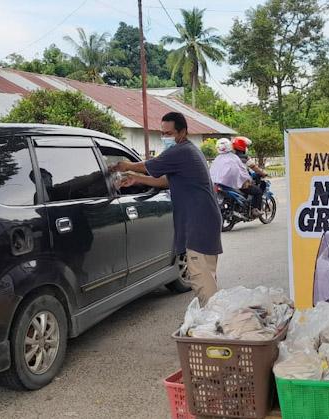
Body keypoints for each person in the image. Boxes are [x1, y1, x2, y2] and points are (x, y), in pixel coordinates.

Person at [112, 112, 223, 305]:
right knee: (208, 276)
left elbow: (150, 165)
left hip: (198, 222)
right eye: (163, 133)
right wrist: (136, 178)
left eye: (169, 133)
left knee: (201, 279)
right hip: (207, 219)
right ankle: (216, 318)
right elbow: (165, 181)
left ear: (182, 132)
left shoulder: (180, 152)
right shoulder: (189, 150)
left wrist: (123, 166)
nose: (165, 137)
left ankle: (213, 324)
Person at [210, 138, 263, 217]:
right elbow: (243, 171)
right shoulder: (239, 157)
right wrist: (249, 178)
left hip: (222, 183)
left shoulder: (218, 158)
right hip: (238, 184)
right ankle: (255, 209)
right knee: (258, 191)